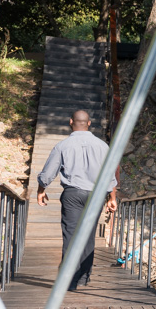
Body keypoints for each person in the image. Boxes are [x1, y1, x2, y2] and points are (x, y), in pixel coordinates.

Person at [36, 110, 117, 290]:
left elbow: (48, 174)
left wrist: (41, 190)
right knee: (88, 237)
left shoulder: (63, 145)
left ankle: (69, 281)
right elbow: (110, 176)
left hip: (72, 194)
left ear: (71, 122)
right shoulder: (103, 146)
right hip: (95, 195)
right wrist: (112, 198)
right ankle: (83, 277)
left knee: (71, 236)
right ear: (89, 123)